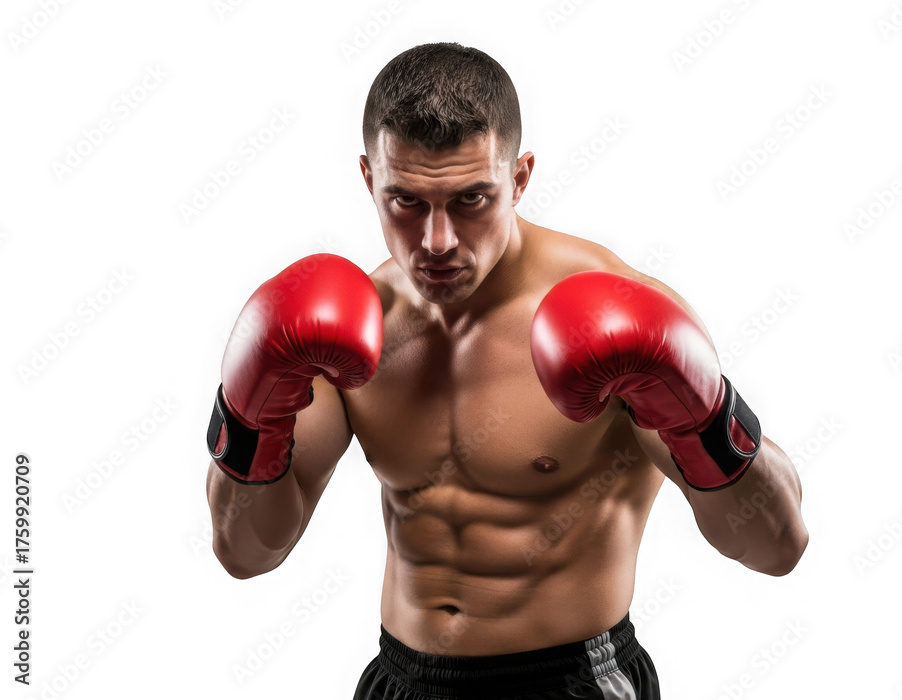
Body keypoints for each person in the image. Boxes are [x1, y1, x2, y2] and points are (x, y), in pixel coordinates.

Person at [205, 42, 808, 700]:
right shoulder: (342, 330)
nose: (437, 241)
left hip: (572, 683)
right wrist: (249, 416)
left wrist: (702, 415)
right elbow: (247, 553)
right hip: (402, 680)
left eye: (471, 199)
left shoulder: (618, 308)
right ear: (368, 179)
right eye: (406, 201)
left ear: (519, 179)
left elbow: (776, 548)